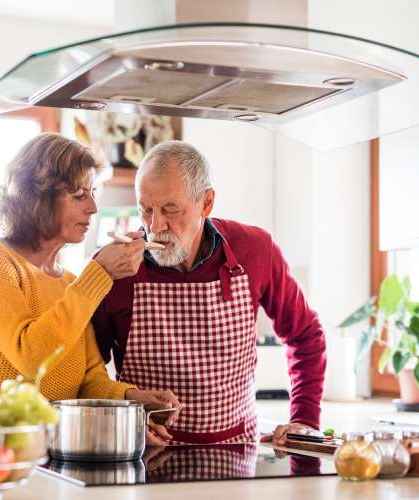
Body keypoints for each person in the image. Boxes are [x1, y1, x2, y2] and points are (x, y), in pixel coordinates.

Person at [0, 133, 180, 435]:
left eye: (93, 192)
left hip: (47, 450)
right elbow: (31, 357)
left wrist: (132, 399)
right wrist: (100, 274)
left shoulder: (69, 282)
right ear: (36, 199)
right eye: (79, 195)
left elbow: (90, 380)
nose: (93, 207)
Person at [93, 140, 326, 446]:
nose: (154, 225)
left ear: (206, 203)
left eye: (170, 209)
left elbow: (306, 335)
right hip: (143, 456)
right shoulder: (116, 269)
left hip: (236, 452)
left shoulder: (254, 249)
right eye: (145, 209)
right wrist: (122, 421)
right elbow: (89, 372)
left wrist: (305, 419)